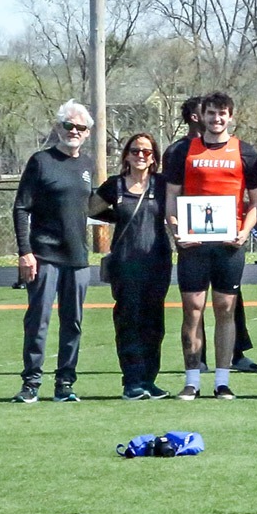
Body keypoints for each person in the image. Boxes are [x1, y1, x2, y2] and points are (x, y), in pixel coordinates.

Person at [163, 90, 257, 400]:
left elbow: (256, 201)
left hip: (228, 246)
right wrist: (176, 232)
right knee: (192, 311)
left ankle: (222, 381)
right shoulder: (183, 151)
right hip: (193, 245)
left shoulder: (246, 153)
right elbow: (171, 198)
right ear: (202, 115)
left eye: (222, 113)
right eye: (211, 113)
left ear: (230, 117)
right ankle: (192, 380)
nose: (216, 119)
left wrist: (245, 231)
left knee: (225, 310)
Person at [11, 102, 98, 403]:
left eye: (80, 128)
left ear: (87, 133)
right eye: (68, 126)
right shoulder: (41, 161)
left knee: (73, 323)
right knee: (38, 321)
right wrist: (25, 252)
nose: (73, 131)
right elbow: (21, 208)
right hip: (45, 255)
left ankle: (65, 384)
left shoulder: (88, 165)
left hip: (78, 258)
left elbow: (96, 206)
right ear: (58, 127)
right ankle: (31, 383)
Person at [93, 133, 172, 399]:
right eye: (136, 150)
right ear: (126, 155)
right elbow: (90, 209)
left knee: (154, 323)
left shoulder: (161, 184)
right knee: (129, 321)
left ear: (154, 158)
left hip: (157, 262)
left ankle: (149, 380)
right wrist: (116, 214)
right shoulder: (114, 186)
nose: (141, 155)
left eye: (147, 152)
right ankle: (132, 380)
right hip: (126, 264)